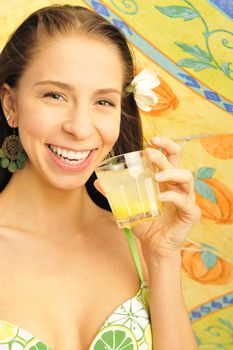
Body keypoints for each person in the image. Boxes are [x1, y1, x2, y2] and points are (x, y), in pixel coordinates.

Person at [0, 4, 201, 350]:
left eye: (103, 102)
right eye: (55, 95)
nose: (79, 128)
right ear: (11, 105)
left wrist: (163, 256)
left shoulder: (140, 241)